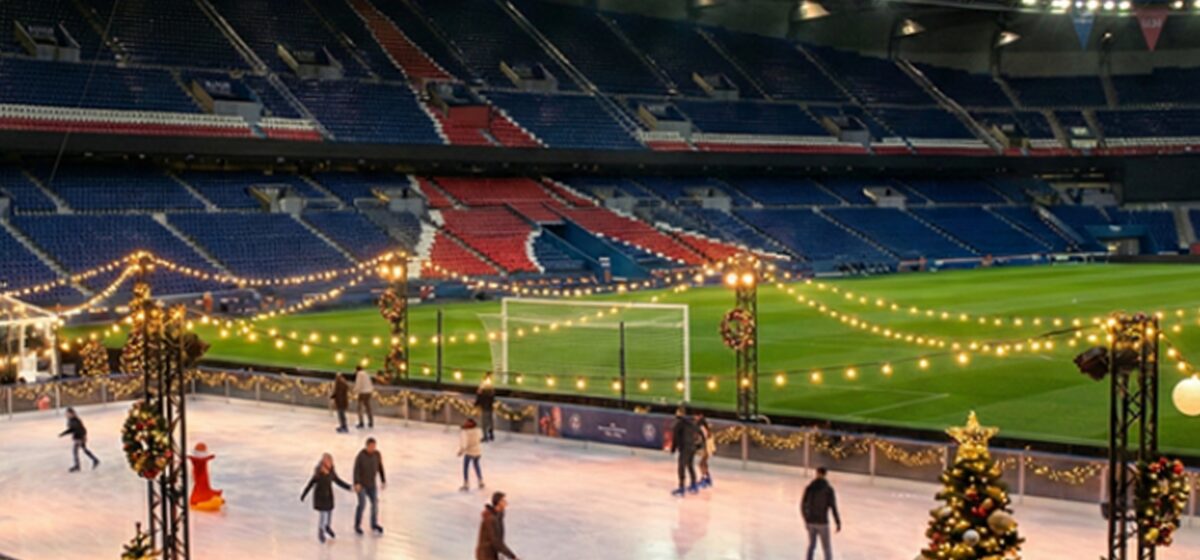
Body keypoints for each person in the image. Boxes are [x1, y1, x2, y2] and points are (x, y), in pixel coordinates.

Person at [301, 453, 352, 543]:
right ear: (324, 462)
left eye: (331, 461)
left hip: (328, 496)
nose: (331, 463)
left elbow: (338, 481)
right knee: (323, 515)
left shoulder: (331, 472)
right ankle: (321, 531)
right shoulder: (318, 472)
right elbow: (311, 483)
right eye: (329, 461)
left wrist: (349, 487)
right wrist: (304, 494)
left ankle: (327, 527)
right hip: (320, 497)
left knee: (329, 513)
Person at [801, 467, 842, 560]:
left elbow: (803, 505)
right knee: (826, 547)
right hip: (823, 522)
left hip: (811, 521)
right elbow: (833, 506)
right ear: (825, 475)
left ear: (817, 473)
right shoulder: (828, 489)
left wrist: (806, 519)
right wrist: (837, 522)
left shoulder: (810, 488)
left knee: (811, 545)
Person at [353, 437, 386, 535]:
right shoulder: (360, 456)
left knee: (375, 504)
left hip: (372, 484)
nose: (372, 448)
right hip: (362, 485)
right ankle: (357, 525)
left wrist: (383, 479)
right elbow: (356, 470)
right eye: (371, 446)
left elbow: (380, 467)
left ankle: (374, 524)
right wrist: (357, 483)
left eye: (374, 446)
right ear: (366, 446)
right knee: (362, 504)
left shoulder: (377, 454)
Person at [475, 491, 518, 560]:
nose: (506, 503)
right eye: (503, 501)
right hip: (486, 555)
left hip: (492, 553)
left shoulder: (498, 516)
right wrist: (512, 556)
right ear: (499, 502)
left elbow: (498, 540)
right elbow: (495, 541)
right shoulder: (491, 519)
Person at [669, 405, 699, 497]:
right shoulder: (692, 422)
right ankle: (694, 484)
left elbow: (675, 437)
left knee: (681, 466)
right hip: (692, 447)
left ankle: (682, 487)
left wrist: (673, 449)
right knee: (690, 465)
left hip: (685, 447)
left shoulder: (679, 423)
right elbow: (697, 433)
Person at [59, 407, 98, 472]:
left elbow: (79, 429)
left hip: (79, 438)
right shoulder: (71, 420)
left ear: (71, 414)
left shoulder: (75, 421)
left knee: (75, 451)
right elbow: (73, 429)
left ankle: (77, 466)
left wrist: (83, 437)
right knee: (84, 450)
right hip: (79, 437)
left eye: (67, 414)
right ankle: (95, 460)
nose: (66, 415)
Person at [188, 442, 224, 511]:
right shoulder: (199, 460)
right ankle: (200, 499)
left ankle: (203, 497)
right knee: (200, 485)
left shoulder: (198, 460)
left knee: (202, 485)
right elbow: (200, 460)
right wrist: (209, 457)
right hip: (200, 476)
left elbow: (200, 459)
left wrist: (208, 457)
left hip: (202, 476)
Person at [458, 418, 485, 492]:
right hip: (478, 451)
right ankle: (480, 481)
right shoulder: (478, 430)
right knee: (476, 465)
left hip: (469, 452)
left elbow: (464, 443)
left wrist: (461, 451)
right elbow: (481, 438)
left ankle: (466, 483)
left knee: (465, 467)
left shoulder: (465, 432)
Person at [695, 413, 715, 488]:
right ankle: (707, 478)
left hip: (708, 446)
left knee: (701, 463)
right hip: (708, 446)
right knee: (703, 463)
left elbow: (705, 437)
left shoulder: (701, 427)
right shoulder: (704, 427)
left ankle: (705, 478)